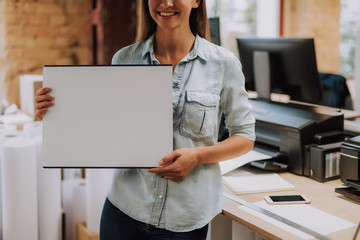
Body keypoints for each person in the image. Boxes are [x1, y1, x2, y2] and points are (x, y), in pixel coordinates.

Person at [35, 0, 255, 239]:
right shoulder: (124, 59)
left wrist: (197, 157)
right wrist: (55, 110)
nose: (166, 3)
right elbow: (105, 126)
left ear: (195, 1)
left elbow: (245, 136)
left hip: (184, 220)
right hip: (124, 209)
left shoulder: (223, 64)